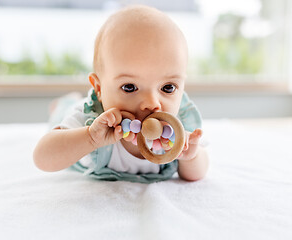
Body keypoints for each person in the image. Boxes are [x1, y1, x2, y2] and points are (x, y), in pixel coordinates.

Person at [33, 5, 209, 183]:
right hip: (73, 124)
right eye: (130, 87)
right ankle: (66, 102)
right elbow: (42, 159)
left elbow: (196, 173)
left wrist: (190, 156)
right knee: (62, 114)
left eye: (168, 88)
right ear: (99, 89)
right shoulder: (93, 121)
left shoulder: (177, 130)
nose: (152, 103)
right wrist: (90, 138)